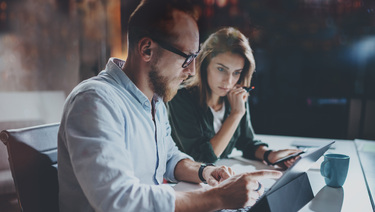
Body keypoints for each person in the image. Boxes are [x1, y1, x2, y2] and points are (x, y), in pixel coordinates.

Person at [58, 1, 282, 211]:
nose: (192, 70)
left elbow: (168, 158)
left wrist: (206, 172)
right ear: (147, 49)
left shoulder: (155, 101)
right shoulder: (95, 101)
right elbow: (119, 201)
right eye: (186, 57)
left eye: (195, 57)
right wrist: (218, 197)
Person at [167, 27, 301, 166]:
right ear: (205, 64)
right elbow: (202, 158)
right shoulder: (180, 98)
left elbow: (246, 142)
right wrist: (236, 114)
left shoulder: (235, 95)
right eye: (221, 69)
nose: (229, 81)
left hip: (222, 174)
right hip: (187, 183)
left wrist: (270, 155)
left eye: (236, 72)